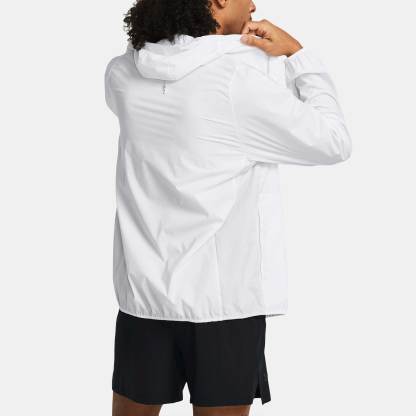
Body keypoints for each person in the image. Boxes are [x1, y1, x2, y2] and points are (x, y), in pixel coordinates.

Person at [104, 1, 352, 415]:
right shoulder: (240, 81)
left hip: (143, 298)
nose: (253, 5)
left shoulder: (122, 75)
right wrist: (297, 55)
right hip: (224, 306)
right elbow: (334, 141)